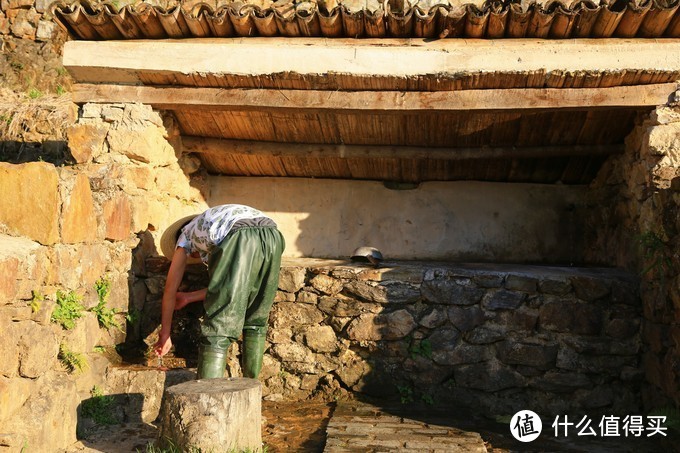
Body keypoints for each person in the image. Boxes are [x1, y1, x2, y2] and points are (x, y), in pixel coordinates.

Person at [154, 204, 285, 379]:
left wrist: (165, 334)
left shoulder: (184, 238)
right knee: (255, 321)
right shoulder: (211, 225)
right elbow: (231, 287)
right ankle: (252, 388)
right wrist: (189, 297)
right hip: (272, 235)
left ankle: (208, 397)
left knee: (218, 330)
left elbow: (169, 291)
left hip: (239, 235)